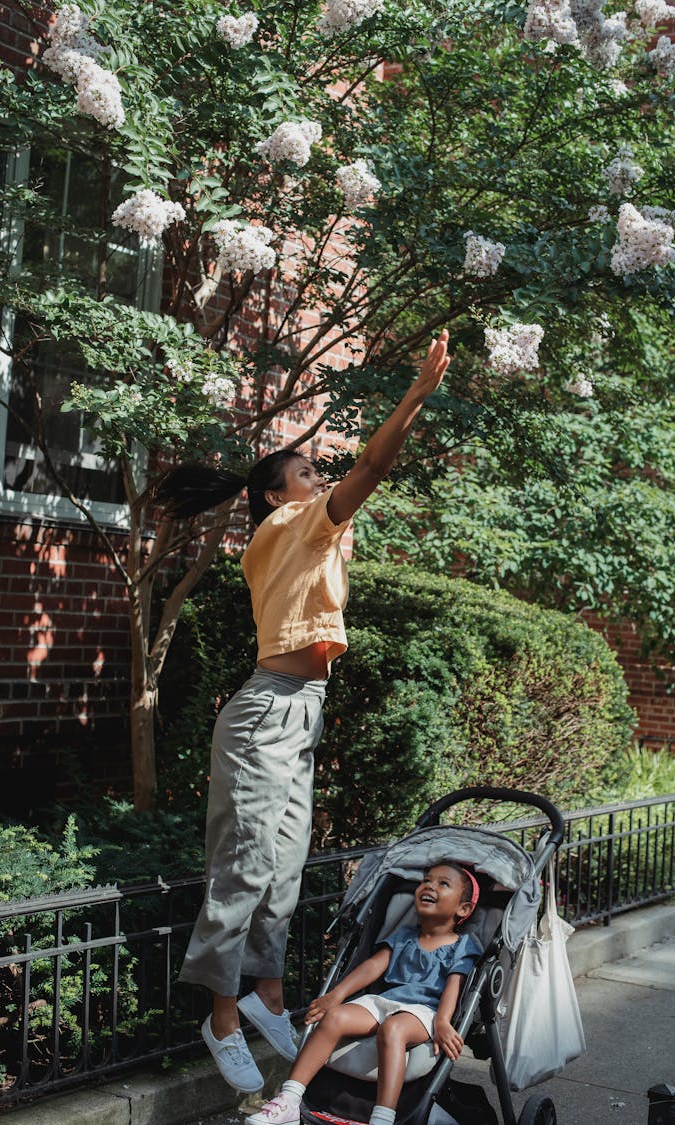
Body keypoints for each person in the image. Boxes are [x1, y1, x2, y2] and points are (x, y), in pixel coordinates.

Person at [161, 330, 452, 1093]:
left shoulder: (314, 536)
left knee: (283, 871)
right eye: (306, 470)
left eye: (317, 470)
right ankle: (221, 1016)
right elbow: (372, 467)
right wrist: (416, 394)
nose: (319, 477)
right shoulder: (287, 525)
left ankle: (267, 996)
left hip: (302, 711)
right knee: (243, 867)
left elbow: (354, 489)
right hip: (267, 713)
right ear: (273, 493)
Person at [246, 861, 482, 1125]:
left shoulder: (462, 945)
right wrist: (335, 995)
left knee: (393, 1029)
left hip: (423, 1011)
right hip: (386, 1000)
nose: (429, 886)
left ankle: (382, 1118)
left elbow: (454, 984)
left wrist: (442, 1021)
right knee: (334, 1018)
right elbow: (373, 967)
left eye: (443, 883)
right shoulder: (404, 935)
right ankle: (290, 1099)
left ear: (463, 908)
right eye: (426, 880)